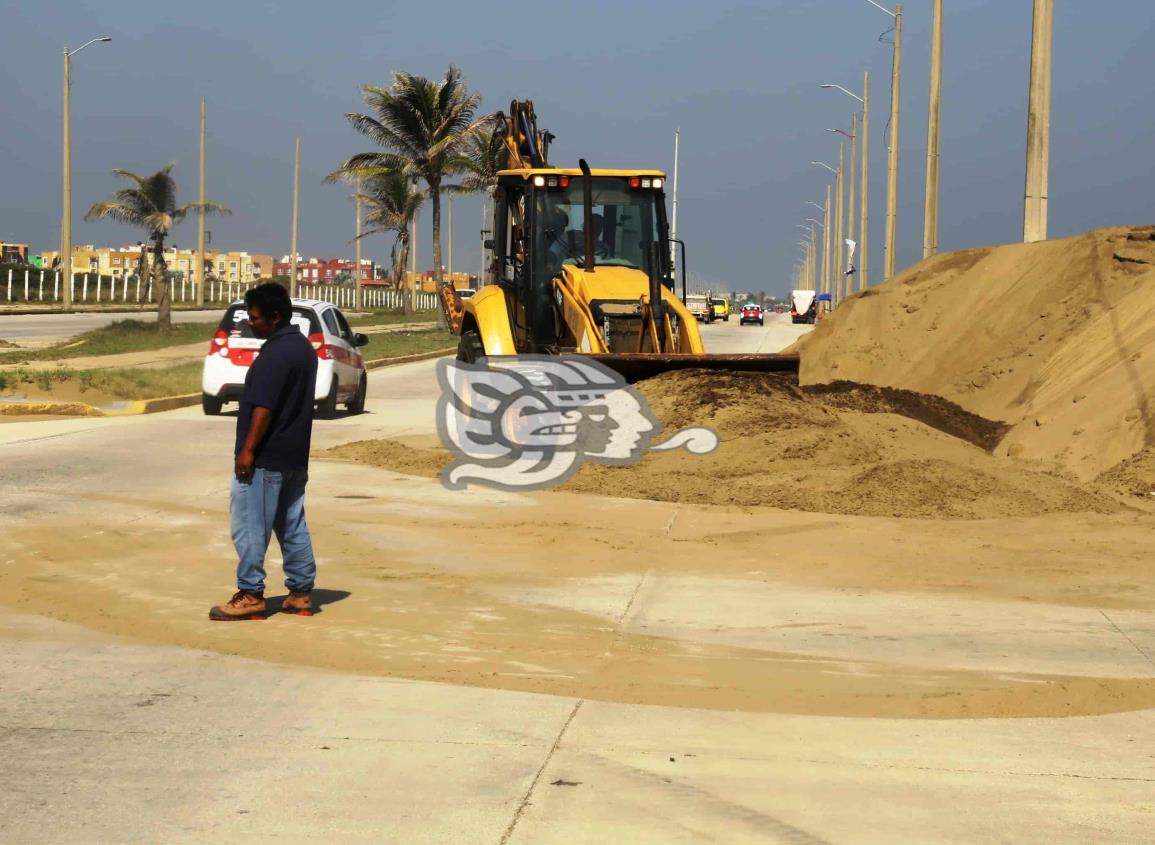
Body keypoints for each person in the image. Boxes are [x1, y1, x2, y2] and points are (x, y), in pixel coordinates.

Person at [209, 282, 319, 620]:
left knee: (250, 526)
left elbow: (264, 407)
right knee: (291, 523)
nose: (249, 324)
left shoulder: (276, 354)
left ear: (275, 316)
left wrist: (247, 452)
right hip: (293, 456)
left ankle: (251, 593)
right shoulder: (302, 348)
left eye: (255, 318)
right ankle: (301, 593)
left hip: (265, 458)